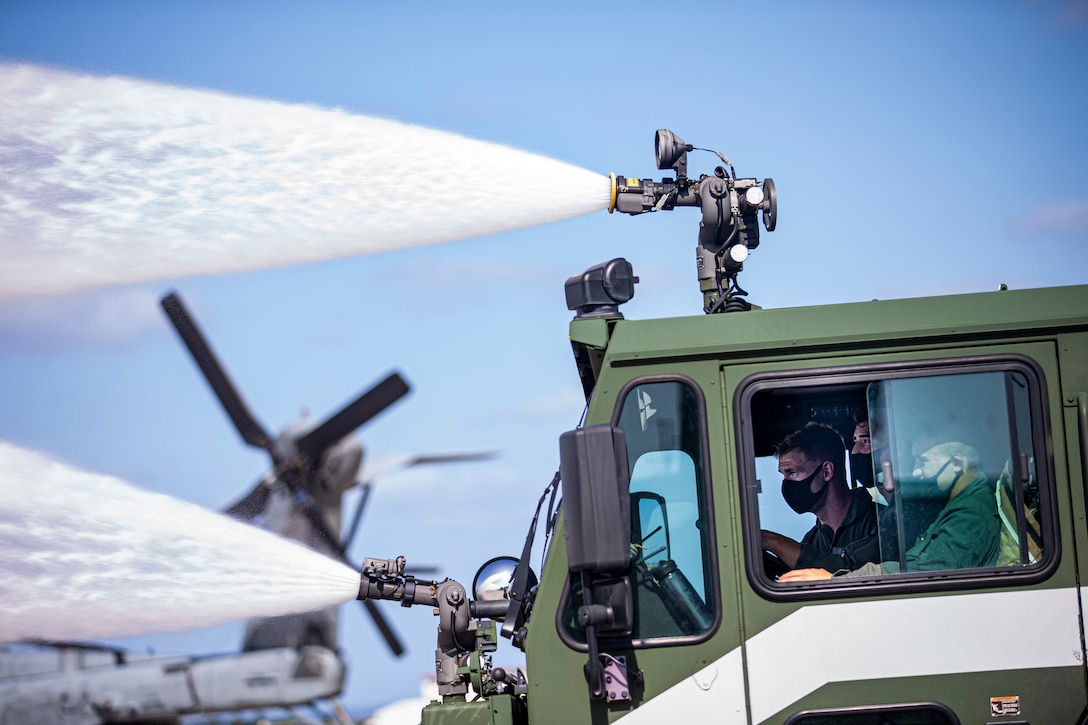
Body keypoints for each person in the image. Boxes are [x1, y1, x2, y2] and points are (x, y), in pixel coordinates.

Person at [780, 440, 1001, 581]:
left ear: (956, 464)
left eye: (923, 462)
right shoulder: (958, 510)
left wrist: (833, 581)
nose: (915, 473)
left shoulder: (971, 514)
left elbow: (925, 570)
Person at [761, 422, 879, 573]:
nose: (786, 484)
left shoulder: (881, 523)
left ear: (827, 471)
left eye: (793, 473)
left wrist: (772, 542)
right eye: (783, 475)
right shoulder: (812, 540)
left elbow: (852, 574)